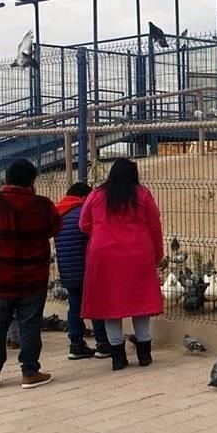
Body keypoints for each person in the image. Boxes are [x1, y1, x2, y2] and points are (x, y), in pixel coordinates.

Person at [0, 159, 61, 390]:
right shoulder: (43, 206)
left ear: (6, 179)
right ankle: (30, 372)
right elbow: (54, 228)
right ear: (32, 181)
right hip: (33, 279)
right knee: (30, 326)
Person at [80, 158, 164, 371]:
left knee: (110, 305)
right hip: (137, 253)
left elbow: (83, 224)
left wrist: (101, 232)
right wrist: (157, 254)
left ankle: (118, 358)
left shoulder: (97, 195)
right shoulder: (142, 194)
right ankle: (144, 355)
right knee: (141, 302)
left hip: (104, 256)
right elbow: (154, 224)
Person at [54, 182, 110, 360]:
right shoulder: (84, 213)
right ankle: (102, 343)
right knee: (96, 306)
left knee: (74, 306)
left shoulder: (59, 215)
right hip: (87, 269)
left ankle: (76, 344)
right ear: (85, 197)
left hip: (67, 271)